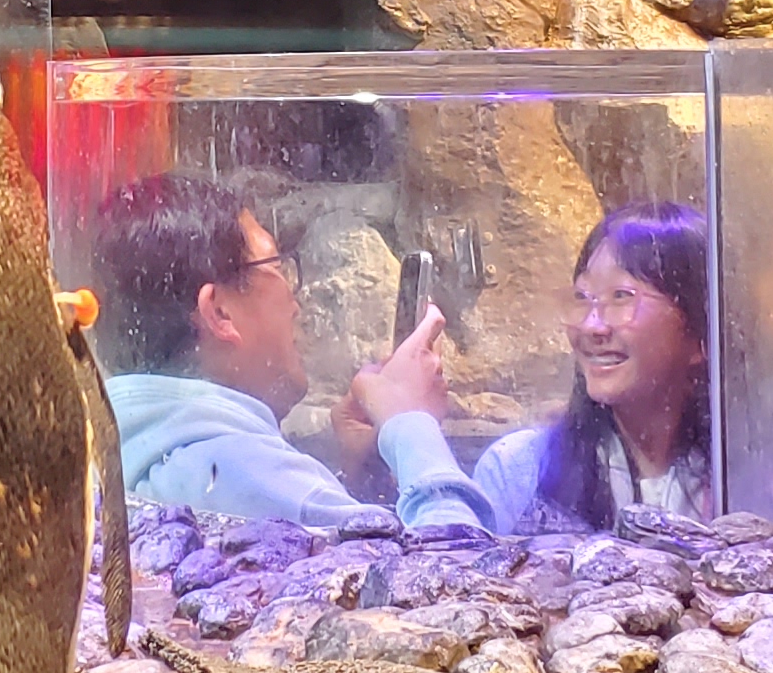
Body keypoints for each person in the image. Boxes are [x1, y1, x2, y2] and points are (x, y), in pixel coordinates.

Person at [93, 174, 491, 530]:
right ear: (219, 312)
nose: (295, 300)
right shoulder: (249, 472)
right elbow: (455, 572)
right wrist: (410, 423)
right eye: (277, 266)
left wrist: (360, 477)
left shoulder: (112, 459)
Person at [472, 202, 715, 533]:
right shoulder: (520, 472)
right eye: (582, 297)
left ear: (700, 331)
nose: (591, 326)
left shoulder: (754, 479)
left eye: (621, 296)